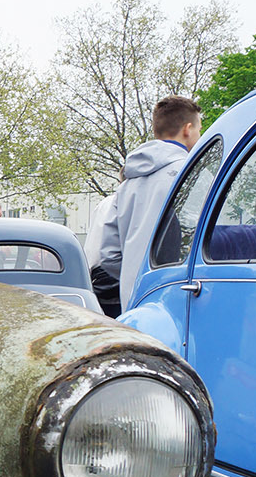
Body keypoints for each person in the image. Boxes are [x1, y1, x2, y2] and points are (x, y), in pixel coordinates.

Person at [87, 95, 203, 316]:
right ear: (188, 129)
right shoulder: (191, 173)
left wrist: (135, 272)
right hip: (180, 297)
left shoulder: (127, 183)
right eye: (199, 129)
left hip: (134, 300)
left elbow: (109, 254)